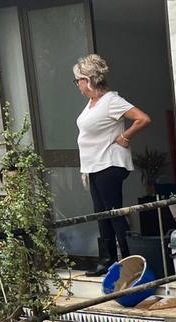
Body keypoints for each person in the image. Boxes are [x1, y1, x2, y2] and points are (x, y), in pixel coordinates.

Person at [73, 54, 151, 276]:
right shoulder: (91, 103)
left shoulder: (111, 101)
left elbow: (142, 118)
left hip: (109, 163)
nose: (77, 84)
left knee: (113, 212)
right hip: (94, 165)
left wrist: (125, 136)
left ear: (88, 80)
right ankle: (107, 259)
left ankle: (127, 261)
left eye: (77, 79)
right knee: (102, 213)